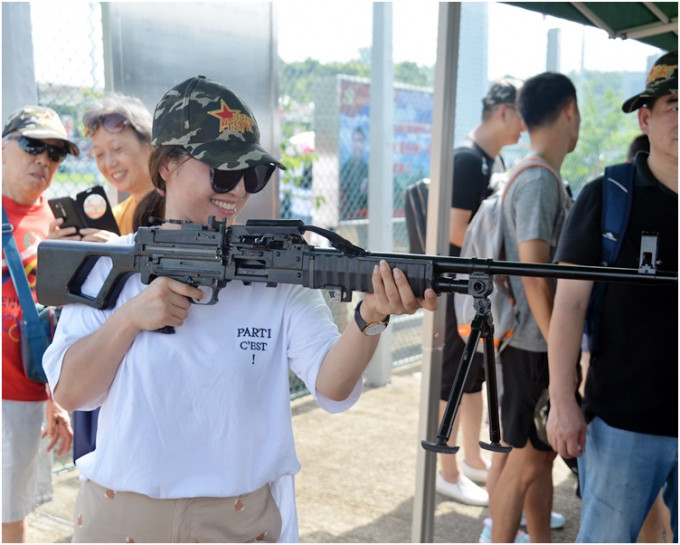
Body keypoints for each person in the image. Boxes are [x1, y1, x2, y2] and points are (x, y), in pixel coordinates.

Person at [42, 75, 439, 543]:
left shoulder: (278, 271)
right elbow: (70, 392)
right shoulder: (113, 264)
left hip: (239, 520)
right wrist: (130, 319)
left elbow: (331, 388)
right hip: (121, 516)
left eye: (252, 174)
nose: (238, 190)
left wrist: (371, 316)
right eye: (224, 171)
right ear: (167, 165)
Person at [547, 51, 677, 543]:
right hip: (621, 424)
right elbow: (570, 306)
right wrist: (563, 400)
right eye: (675, 105)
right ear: (646, 117)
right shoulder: (606, 195)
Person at [488, 72, 579, 543]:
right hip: (532, 345)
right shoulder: (540, 181)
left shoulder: (533, 175)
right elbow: (533, 273)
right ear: (570, 111)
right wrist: (561, 347)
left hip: (529, 340)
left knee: (537, 457)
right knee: (523, 463)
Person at [49, 93, 155, 461]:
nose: (109, 162)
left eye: (118, 148)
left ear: (150, 144)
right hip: (102, 367)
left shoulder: (173, 211)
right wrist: (63, 254)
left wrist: (123, 251)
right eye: (98, 154)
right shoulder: (118, 211)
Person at [435, 78, 524, 508]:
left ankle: (470, 459)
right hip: (456, 288)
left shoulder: (492, 159)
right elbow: (454, 230)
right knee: (452, 378)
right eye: (523, 116)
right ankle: (446, 472)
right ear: (504, 111)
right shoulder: (468, 160)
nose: (525, 127)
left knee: (473, 378)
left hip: (473, 290)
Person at [2, 106, 76, 543]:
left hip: (22, 394)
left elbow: (67, 320)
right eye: (32, 146)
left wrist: (58, 397)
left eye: (55, 153)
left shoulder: (62, 227)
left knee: (11, 509)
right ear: (3, 149)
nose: (43, 160)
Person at [339, 126, 369, 220]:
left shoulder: (366, 168)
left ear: (364, 144)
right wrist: (360, 190)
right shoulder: (345, 169)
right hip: (349, 216)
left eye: (360, 141)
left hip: (364, 214)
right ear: (352, 144)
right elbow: (346, 197)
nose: (358, 144)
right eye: (355, 141)